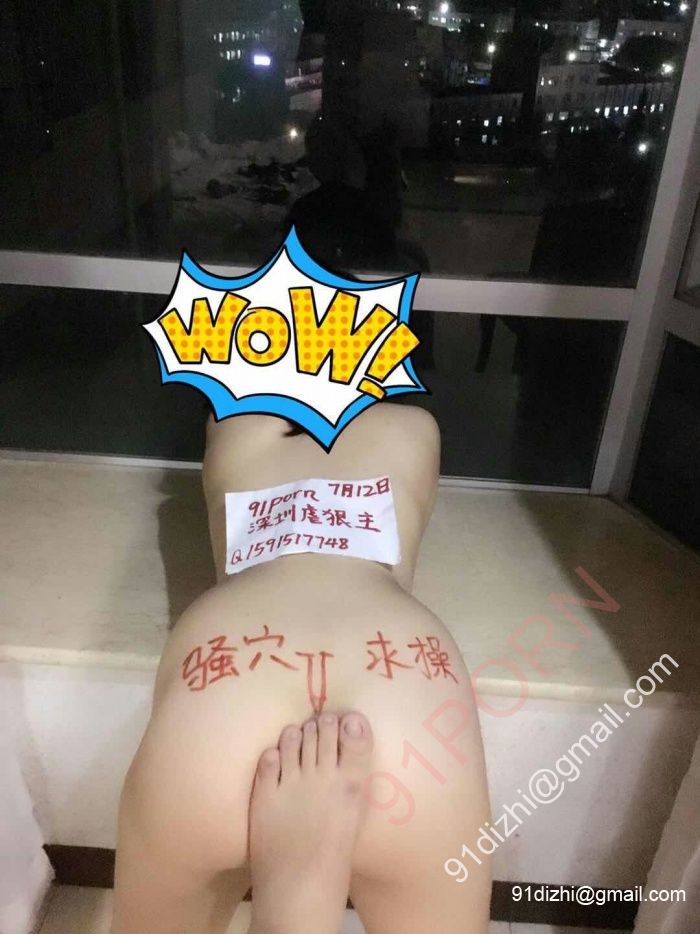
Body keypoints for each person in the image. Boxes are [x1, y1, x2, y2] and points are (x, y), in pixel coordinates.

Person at [111, 402, 491, 933]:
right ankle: (299, 901)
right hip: (403, 687)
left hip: (224, 691)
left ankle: (293, 906)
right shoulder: (413, 428)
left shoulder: (233, 427)